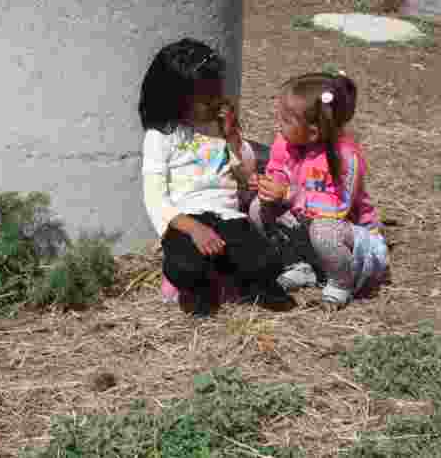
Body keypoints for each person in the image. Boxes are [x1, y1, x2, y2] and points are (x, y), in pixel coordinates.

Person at [138, 38, 293, 318]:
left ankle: (231, 277)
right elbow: (155, 198)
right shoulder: (161, 136)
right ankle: (203, 288)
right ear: (178, 97)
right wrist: (194, 229)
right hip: (187, 221)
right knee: (184, 266)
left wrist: (233, 136)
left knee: (268, 262)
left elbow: (245, 175)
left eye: (218, 94)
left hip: (229, 218)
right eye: (206, 98)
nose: (216, 102)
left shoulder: (219, 127)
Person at [256, 71, 389, 312]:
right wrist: (269, 185)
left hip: (349, 239)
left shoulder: (345, 157)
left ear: (313, 132)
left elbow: (338, 208)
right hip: (307, 226)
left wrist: (288, 194)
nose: (279, 124)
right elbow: (278, 170)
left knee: (323, 229)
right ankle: (300, 265)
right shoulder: (286, 142)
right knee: (258, 207)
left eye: (286, 120)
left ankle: (341, 282)